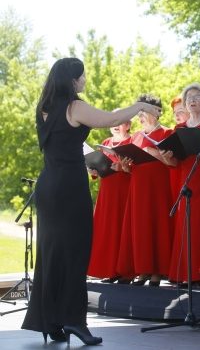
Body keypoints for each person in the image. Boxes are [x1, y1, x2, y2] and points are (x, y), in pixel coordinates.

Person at [22, 57, 160, 345]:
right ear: (72, 80)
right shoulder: (74, 106)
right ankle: (74, 321)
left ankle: (51, 320)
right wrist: (140, 107)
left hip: (48, 185)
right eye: (82, 77)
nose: (84, 81)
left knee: (52, 255)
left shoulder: (44, 107)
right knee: (75, 253)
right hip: (69, 187)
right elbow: (110, 119)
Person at [116, 94, 174, 288]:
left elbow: (173, 162)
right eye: (138, 112)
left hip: (158, 187)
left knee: (156, 225)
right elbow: (131, 167)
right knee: (140, 228)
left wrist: (154, 153)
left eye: (144, 112)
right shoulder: (136, 137)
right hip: (138, 187)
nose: (140, 116)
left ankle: (157, 271)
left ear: (157, 113)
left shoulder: (167, 133)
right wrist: (125, 165)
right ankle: (143, 269)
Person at [163, 84, 200, 286]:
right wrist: (167, 157)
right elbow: (174, 162)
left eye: (197, 97)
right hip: (188, 178)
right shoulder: (180, 129)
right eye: (189, 98)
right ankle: (187, 273)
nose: (192, 100)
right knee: (187, 224)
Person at [86, 118, 133, 284]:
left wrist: (122, 167)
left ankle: (125, 272)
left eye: (119, 122)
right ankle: (109, 270)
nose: (114, 125)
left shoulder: (132, 141)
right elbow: (98, 171)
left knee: (121, 227)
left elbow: (136, 167)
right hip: (107, 192)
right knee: (107, 228)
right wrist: (94, 170)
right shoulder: (106, 142)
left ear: (127, 125)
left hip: (124, 190)